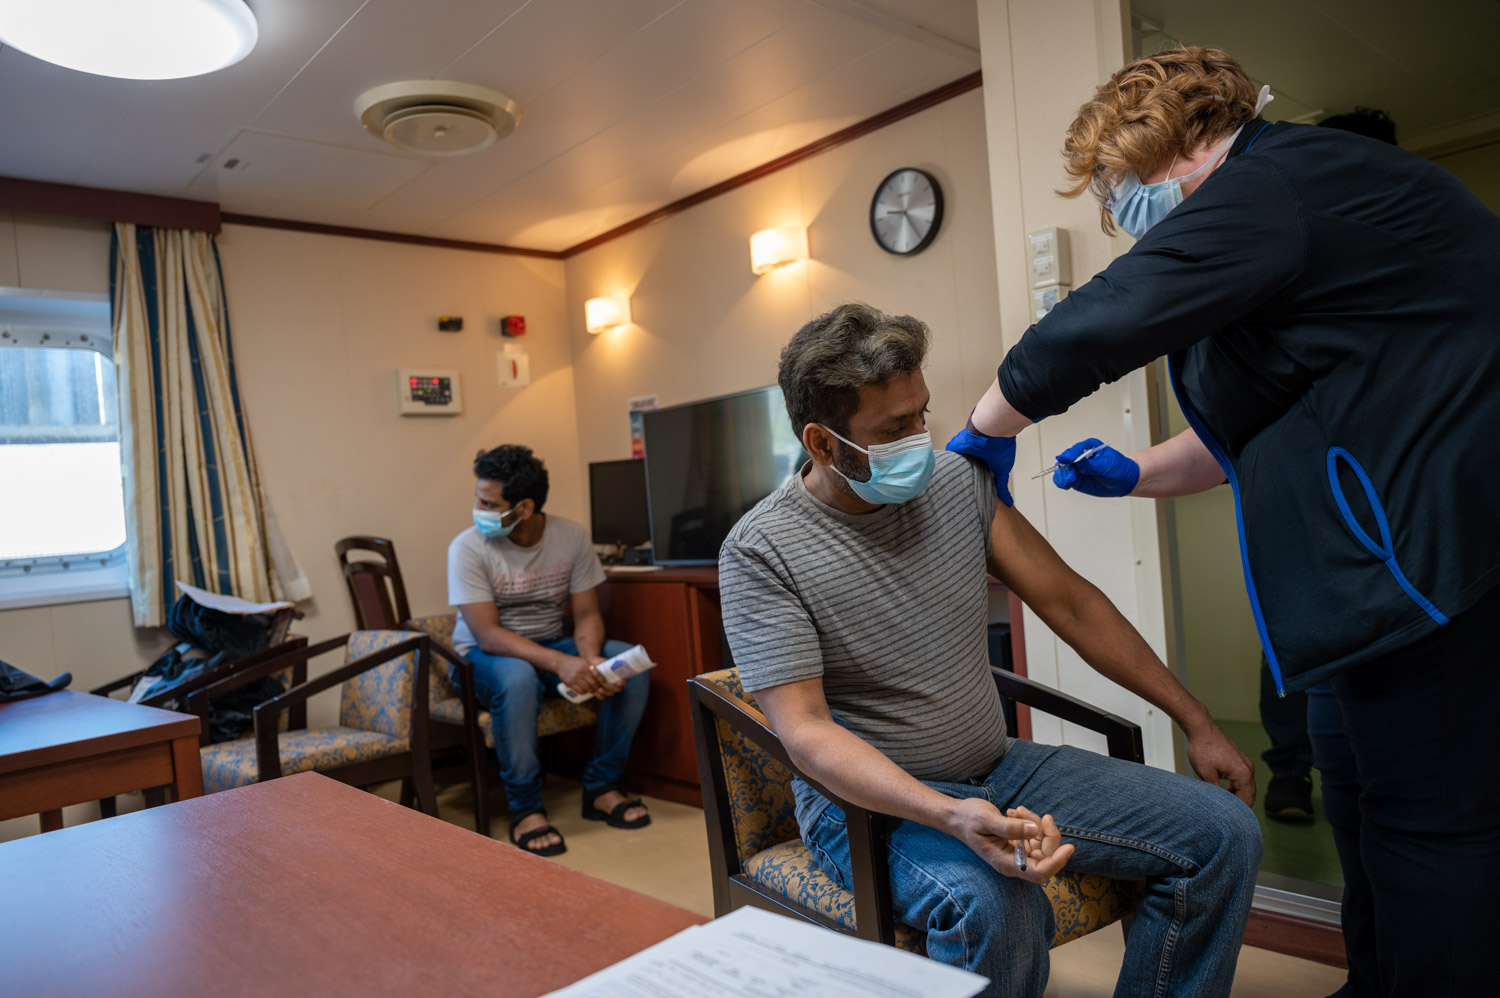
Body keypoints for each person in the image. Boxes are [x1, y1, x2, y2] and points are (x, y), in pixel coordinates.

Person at [952, 47, 1500, 998]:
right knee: (1364, 817)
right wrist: (1132, 478)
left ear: (1170, 154)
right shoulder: (1279, 226)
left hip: (1435, 571)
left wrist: (982, 433)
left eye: (1118, 193)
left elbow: (1101, 321)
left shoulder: (1281, 182)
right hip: (1360, 600)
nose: (1121, 222)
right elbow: (1249, 431)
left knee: (1431, 834)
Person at [720, 303, 1261, 998]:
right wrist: (947, 814)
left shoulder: (955, 484)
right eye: (894, 429)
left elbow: (1070, 602)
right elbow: (807, 731)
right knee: (996, 902)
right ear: (823, 444)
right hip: (869, 809)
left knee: (1222, 834)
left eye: (922, 415)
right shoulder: (762, 551)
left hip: (998, 769)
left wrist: (1198, 720)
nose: (921, 437)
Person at [447, 445, 651, 855]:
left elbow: (588, 613)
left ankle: (601, 786)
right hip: (483, 658)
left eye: (489, 503)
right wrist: (563, 664)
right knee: (518, 677)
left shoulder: (570, 536)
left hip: (552, 644)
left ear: (523, 507)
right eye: (479, 498)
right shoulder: (467, 548)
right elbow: (487, 635)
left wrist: (592, 659)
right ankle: (525, 809)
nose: (478, 509)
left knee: (630, 666)